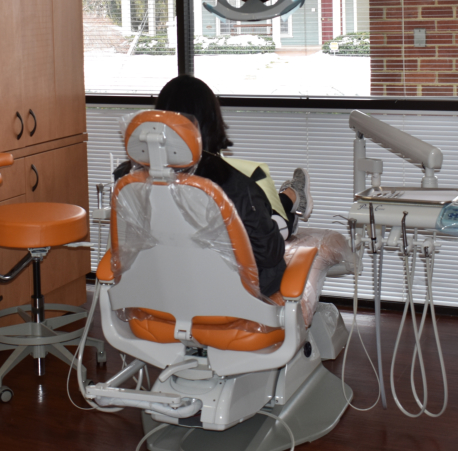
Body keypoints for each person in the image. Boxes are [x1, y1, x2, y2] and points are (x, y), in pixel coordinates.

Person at [115, 74, 311, 297]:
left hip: (157, 293)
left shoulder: (126, 178)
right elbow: (269, 253)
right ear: (211, 120)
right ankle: (291, 199)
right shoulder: (233, 183)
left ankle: (289, 200)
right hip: (228, 299)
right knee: (275, 233)